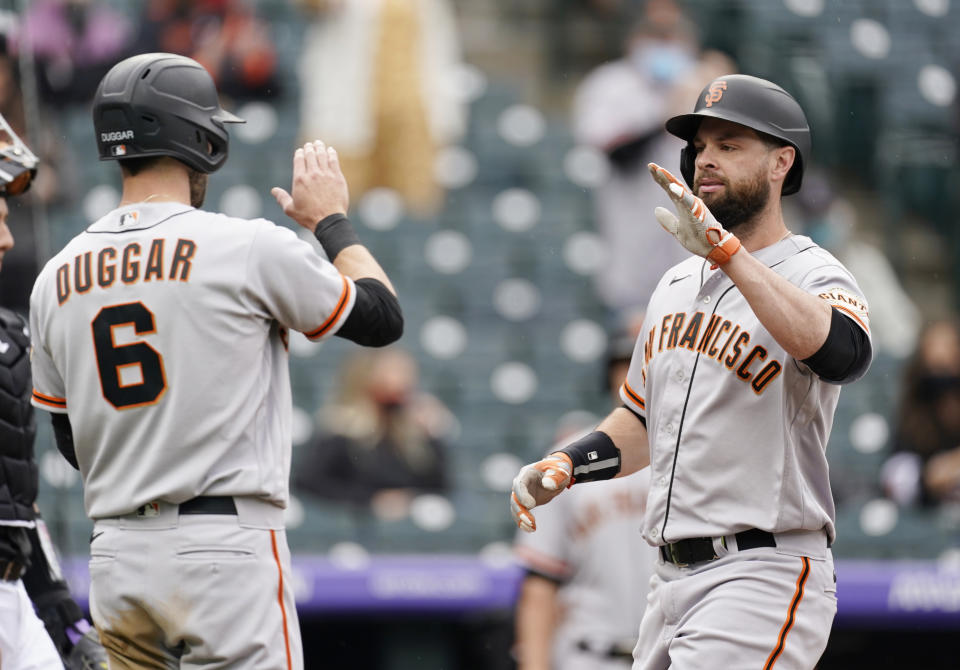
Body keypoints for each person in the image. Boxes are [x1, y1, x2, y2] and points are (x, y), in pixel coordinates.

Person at [28, 52, 402, 668]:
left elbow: (69, 438)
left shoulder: (56, 274)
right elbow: (382, 318)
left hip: (116, 553)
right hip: (224, 549)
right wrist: (331, 221)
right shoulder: (244, 246)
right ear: (200, 138)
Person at [510, 74, 873, 669]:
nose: (706, 159)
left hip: (761, 568)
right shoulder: (675, 284)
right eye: (701, 146)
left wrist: (730, 256)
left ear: (782, 162)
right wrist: (568, 463)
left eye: (730, 145)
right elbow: (639, 419)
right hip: (669, 581)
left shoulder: (814, 271)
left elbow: (842, 355)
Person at [0, 114, 107, 669]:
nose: (8, 238)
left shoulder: (11, 337)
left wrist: (60, 608)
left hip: (12, 591)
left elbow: (17, 504)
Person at [513, 328, 654, 670]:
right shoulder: (569, 458)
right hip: (590, 654)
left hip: (677, 653)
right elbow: (541, 581)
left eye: (641, 363)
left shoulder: (696, 453)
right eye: (624, 365)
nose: (633, 374)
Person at [294, 346, 451, 519]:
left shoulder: (413, 433)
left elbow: (441, 487)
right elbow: (310, 483)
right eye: (394, 372)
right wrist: (371, 500)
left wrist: (432, 436)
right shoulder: (340, 429)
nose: (404, 381)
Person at [881, 319, 960, 507]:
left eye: (947, 345)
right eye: (934, 345)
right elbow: (899, 468)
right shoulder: (916, 392)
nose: (939, 353)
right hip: (925, 480)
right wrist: (931, 472)